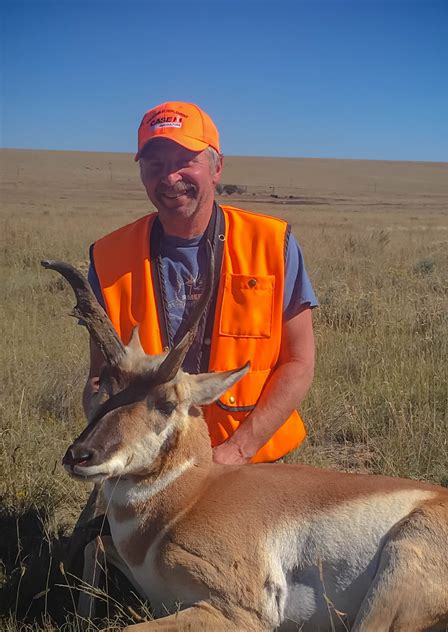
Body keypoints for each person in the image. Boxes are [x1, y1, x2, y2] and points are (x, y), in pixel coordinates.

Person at [83, 101, 317, 465]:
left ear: (216, 167)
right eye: (155, 164)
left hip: (252, 462)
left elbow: (299, 361)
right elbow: (101, 376)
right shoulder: (108, 257)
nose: (170, 177)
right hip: (150, 464)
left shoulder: (273, 243)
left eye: (184, 161)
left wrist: (238, 450)